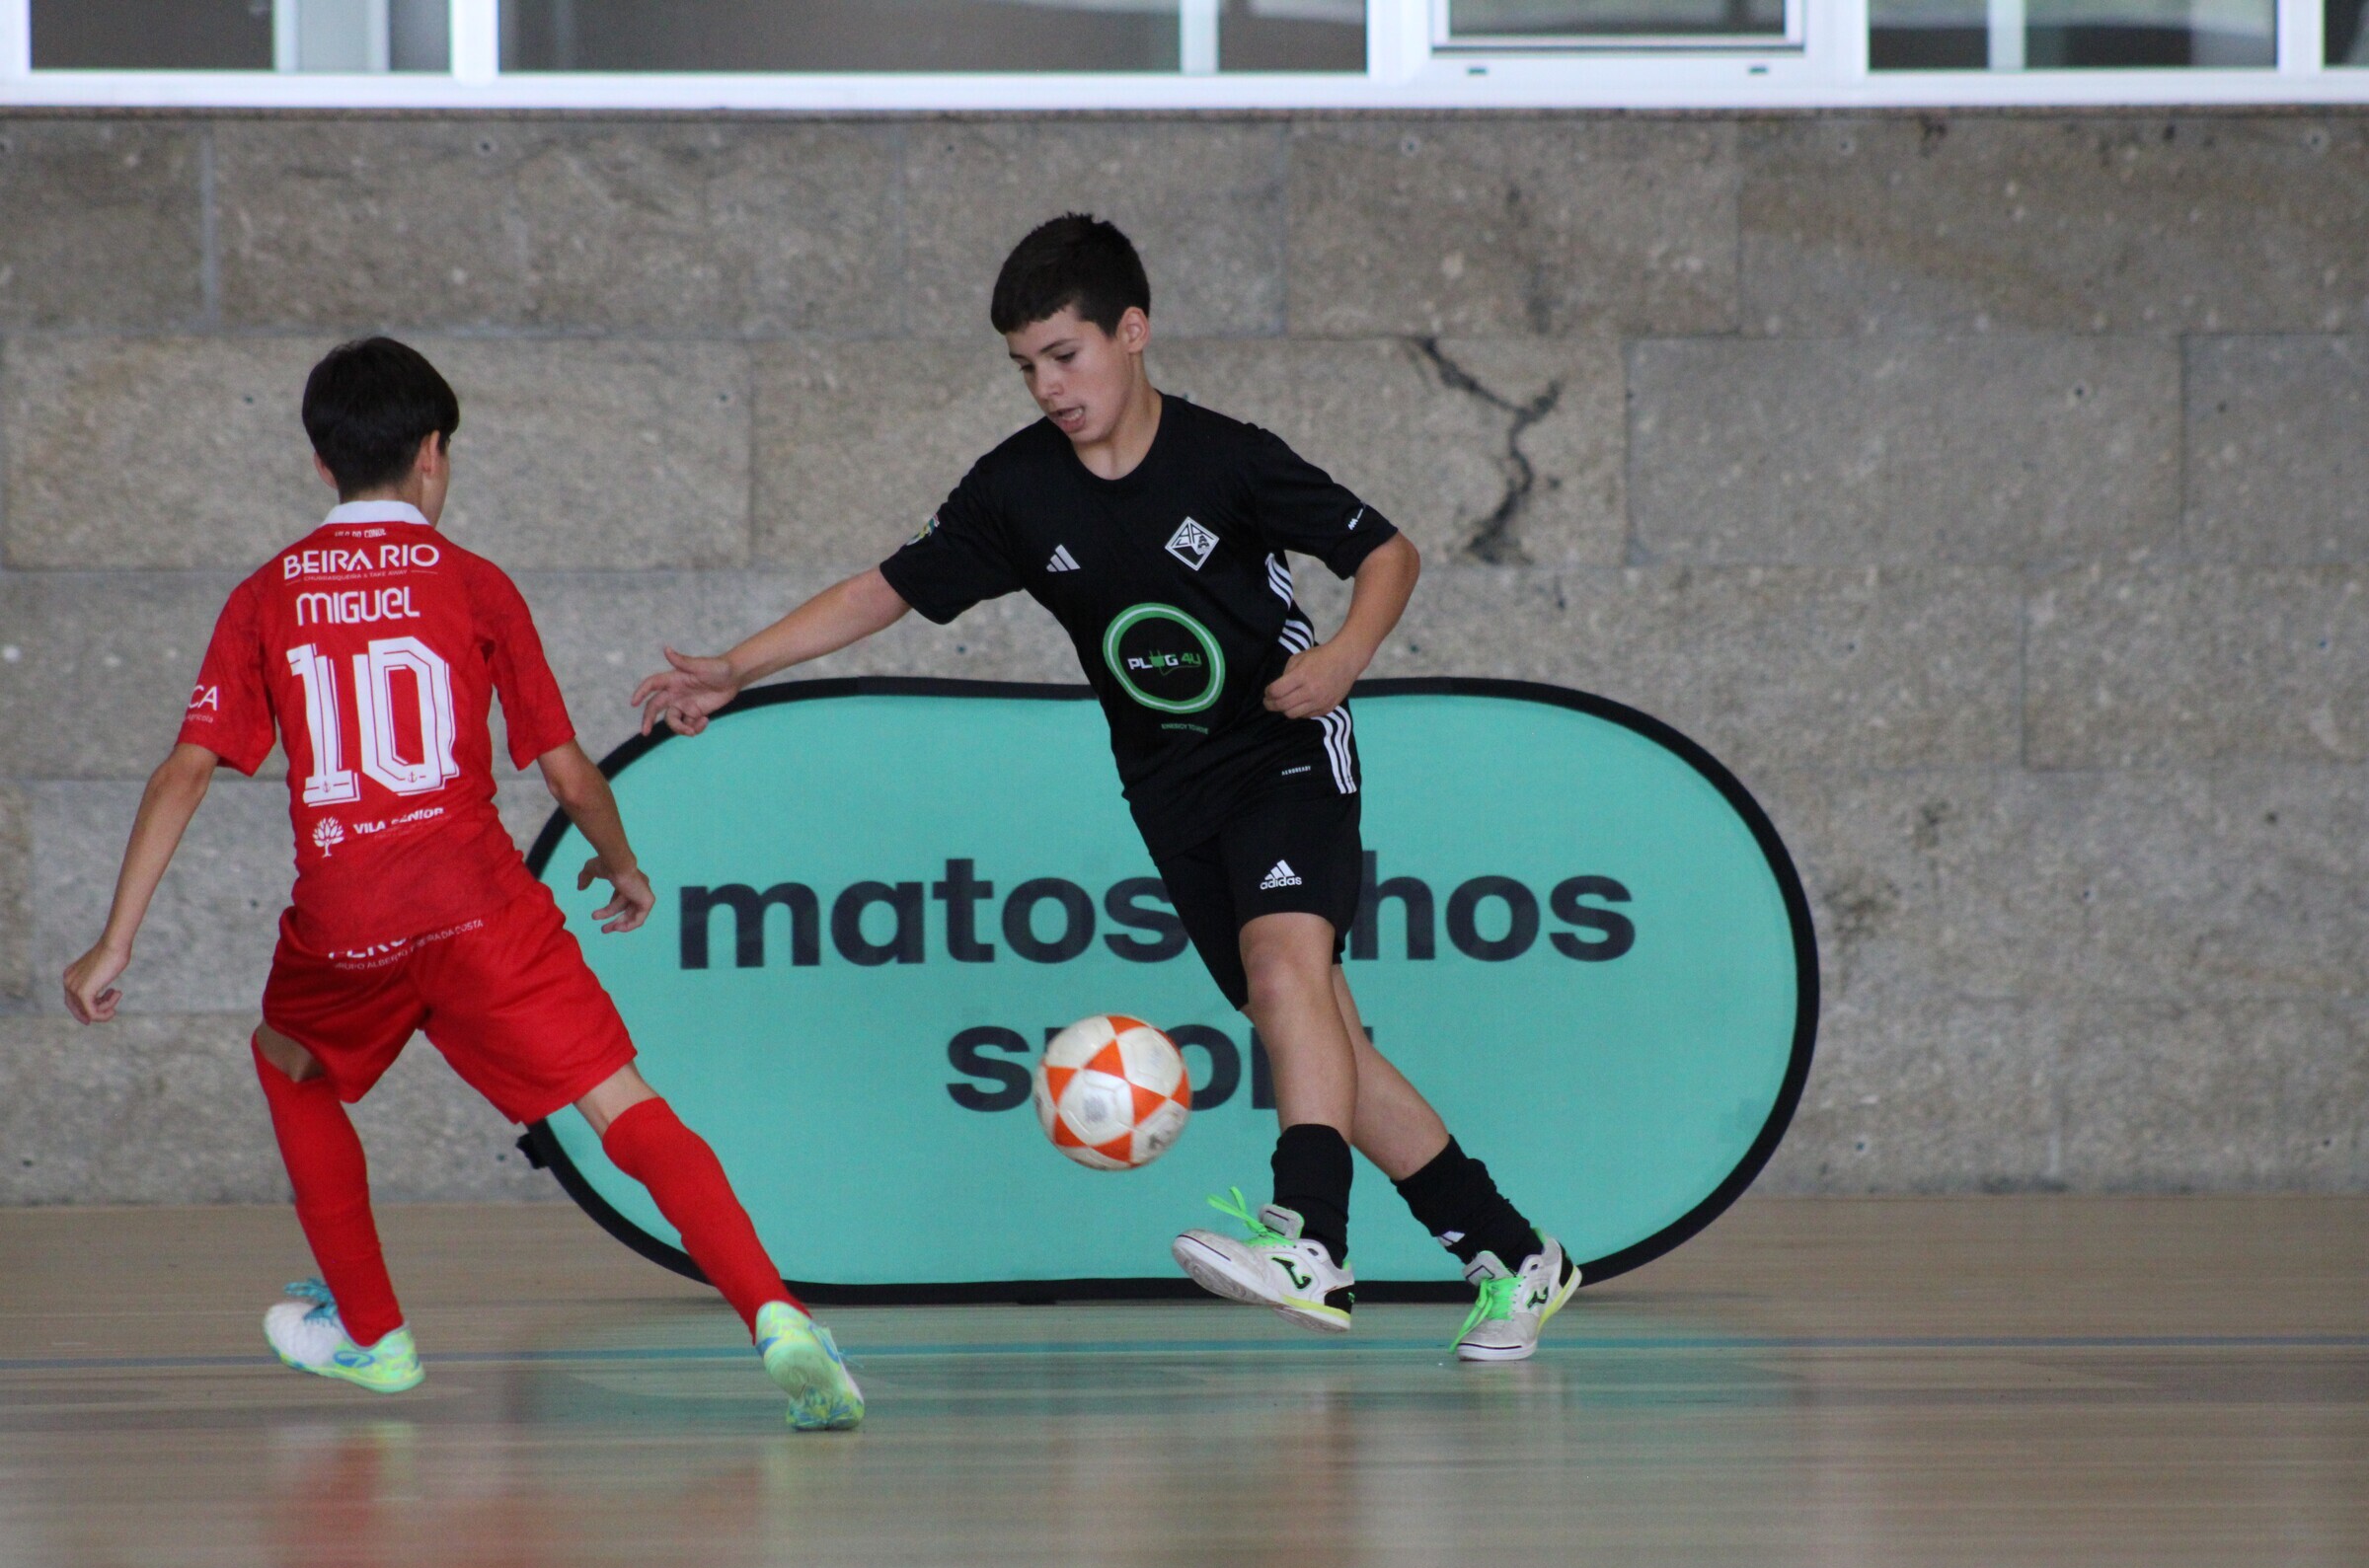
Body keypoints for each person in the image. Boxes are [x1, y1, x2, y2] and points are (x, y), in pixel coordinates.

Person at [634, 215, 1579, 1360]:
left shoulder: (1228, 459)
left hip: (1283, 747)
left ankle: (1310, 1239)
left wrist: (1343, 655)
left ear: (1132, 333)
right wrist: (737, 665)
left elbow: (1389, 552)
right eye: (1025, 366)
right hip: (1169, 788)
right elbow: (883, 588)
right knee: (1316, 1035)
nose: (1048, 385)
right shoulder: (1017, 489)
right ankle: (1515, 1254)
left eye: (1064, 355)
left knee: (1287, 968)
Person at [61, 337, 864, 1429]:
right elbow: (567, 773)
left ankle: (374, 1332)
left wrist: (117, 940)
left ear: (320, 462)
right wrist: (622, 864)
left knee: (289, 1062)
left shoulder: (266, 595)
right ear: (433, 453)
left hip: (347, 921)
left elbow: (185, 772)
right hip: (482, 907)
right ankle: (777, 1315)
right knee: (621, 1104)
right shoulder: (475, 584)